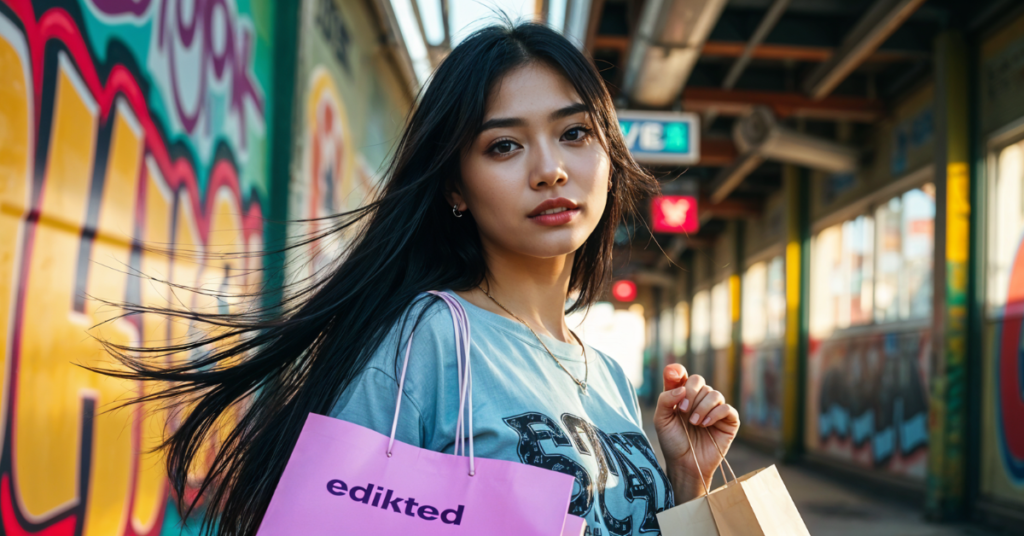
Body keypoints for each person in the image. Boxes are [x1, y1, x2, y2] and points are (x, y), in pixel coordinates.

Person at [99, 20, 739, 536]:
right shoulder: (426, 339)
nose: (550, 169)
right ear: (456, 188)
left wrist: (685, 482)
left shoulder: (606, 374)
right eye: (504, 146)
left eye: (574, 133)